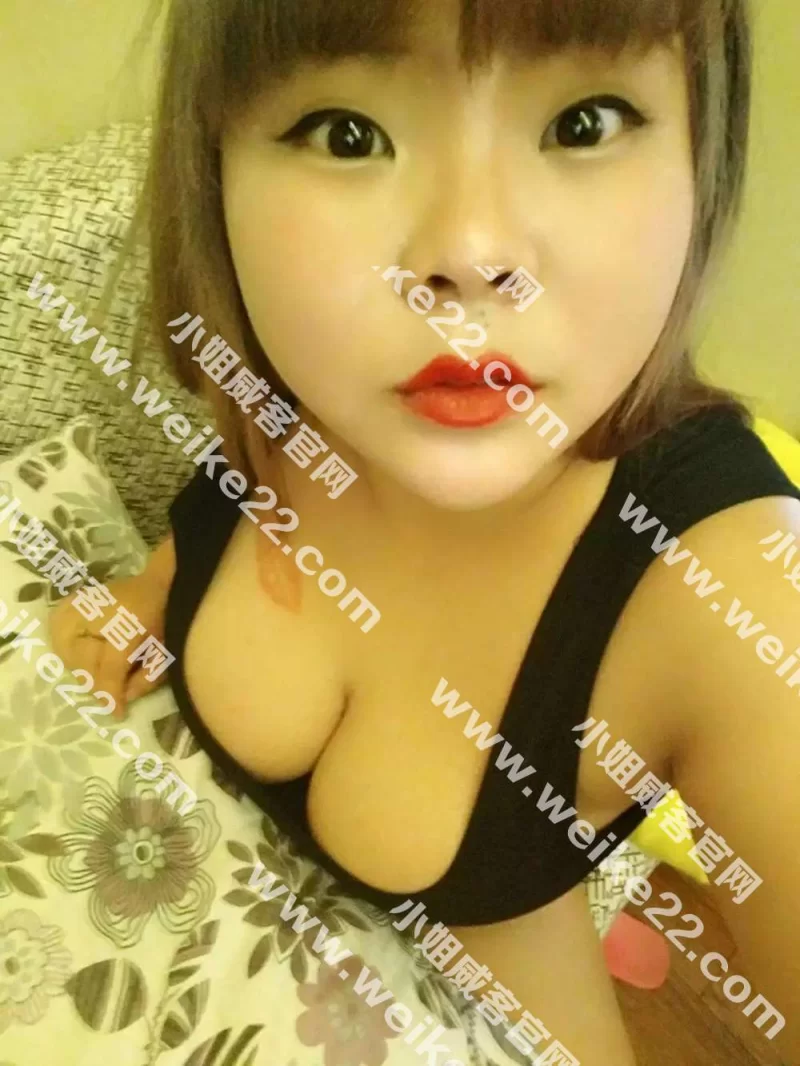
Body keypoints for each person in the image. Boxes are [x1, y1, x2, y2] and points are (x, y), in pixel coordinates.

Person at [49, 0, 800, 1061]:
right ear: (214, 175)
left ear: (700, 156)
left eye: (582, 122)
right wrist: (152, 590)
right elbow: (237, 488)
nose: (469, 256)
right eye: (346, 134)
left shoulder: (743, 598)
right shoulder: (305, 377)